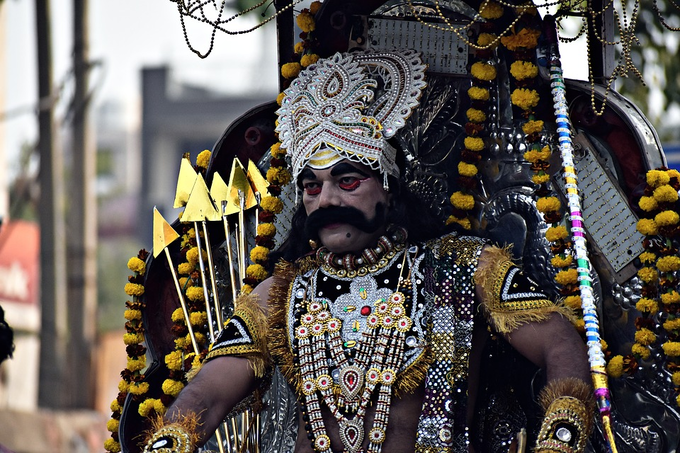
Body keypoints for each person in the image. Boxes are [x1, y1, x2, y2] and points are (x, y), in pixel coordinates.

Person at [143, 50, 593, 453]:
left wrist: (560, 434)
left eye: (348, 181)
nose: (327, 200)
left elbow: (559, 342)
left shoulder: (464, 268)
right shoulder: (277, 296)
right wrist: (169, 442)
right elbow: (207, 393)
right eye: (312, 187)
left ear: (389, 190)